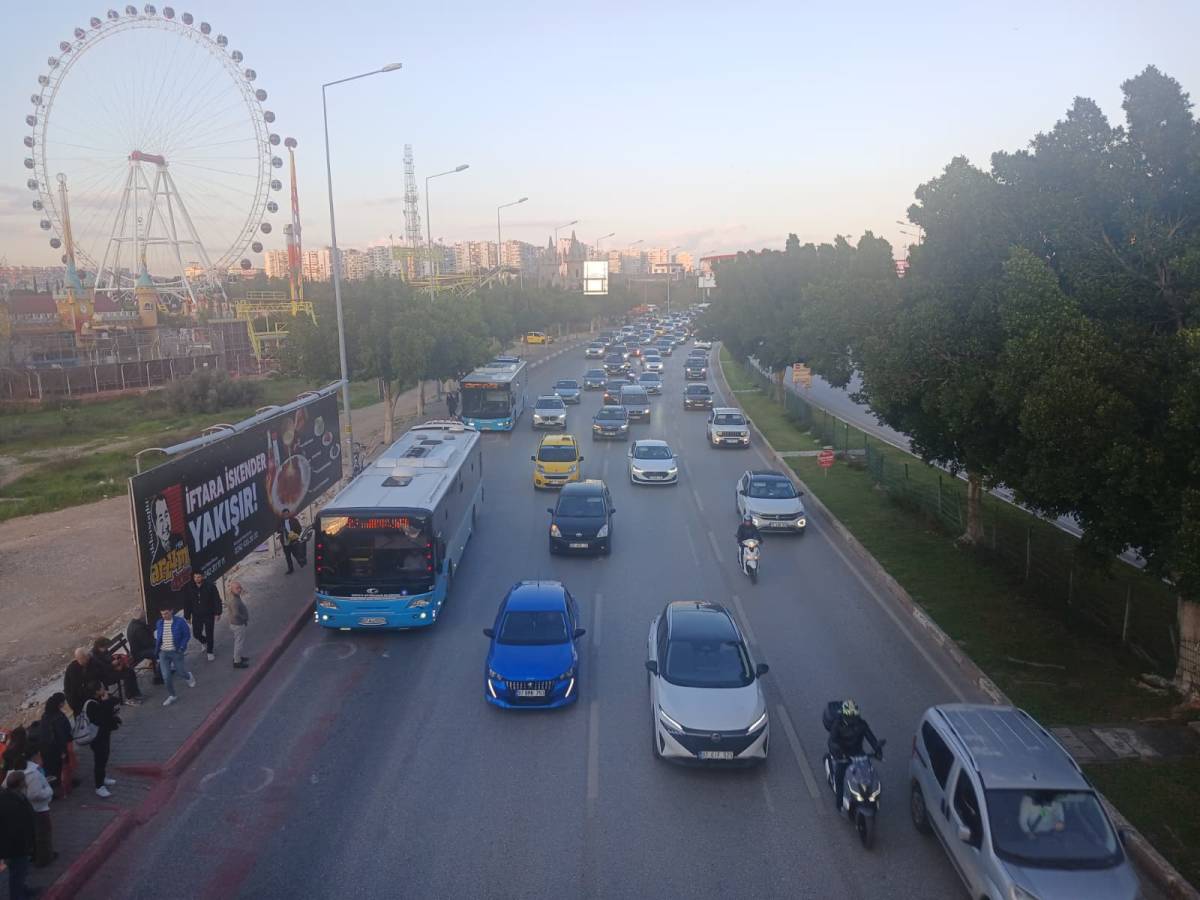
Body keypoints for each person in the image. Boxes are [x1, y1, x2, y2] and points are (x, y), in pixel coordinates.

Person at [827, 699, 882, 811]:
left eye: (854, 715)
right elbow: (832, 741)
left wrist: (877, 749)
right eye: (849, 715)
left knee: (869, 773)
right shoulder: (837, 725)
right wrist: (838, 753)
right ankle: (839, 803)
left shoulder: (861, 724)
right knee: (839, 777)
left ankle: (870, 796)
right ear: (843, 715)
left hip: (858, 753)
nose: (852, 718)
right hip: (842, 754)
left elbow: (870, 737)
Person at [0, 771, 37, 900]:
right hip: (16, 847)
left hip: (20, 845)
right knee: (17, 873)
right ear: (20, 783)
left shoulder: (13, 796)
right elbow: (13, 829)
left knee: (21, 872)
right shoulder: (9, 802)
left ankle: (23, 890)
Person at [82, 684, 119, 798]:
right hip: (97, 737)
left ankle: (103, 777)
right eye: (102, 688)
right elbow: (100, 719)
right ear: (97, 691)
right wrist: (106, 703)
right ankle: (99, 786)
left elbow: (115, 700)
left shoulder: (100, 700)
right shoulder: (91, 704)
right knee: (100, 760)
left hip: (104, 734)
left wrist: (106, 700)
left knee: (104, 757)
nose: (105, 689)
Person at [18, 752, 54, 868]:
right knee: (42, 834)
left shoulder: (20, 770)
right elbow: (35, 794)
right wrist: (49, 791)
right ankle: (43, 859)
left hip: (29, 808)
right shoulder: (32, 773)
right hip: (38, 808)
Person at [154, 608, 196, 706]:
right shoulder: (159, 623)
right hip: (163, 653)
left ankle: (188, 676)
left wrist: (181, 647)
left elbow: (187, 635)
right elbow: (158, 637)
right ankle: (172, 695)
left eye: (166, 613)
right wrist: (157, 651)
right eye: (162, 614)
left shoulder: (180, 622)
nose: (164, 616)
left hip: (176, 651)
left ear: (171, 611)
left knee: (181, 672)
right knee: (166, 676)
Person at [88, 637, 142, 705]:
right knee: (126, 675)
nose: (107, 649)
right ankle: (129, 698)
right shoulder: (94, 657)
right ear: (99, 647)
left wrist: (117, 662)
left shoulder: (103, 650)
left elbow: (110, 658)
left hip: (112, 670)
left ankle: (135, 692)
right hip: (105, 676)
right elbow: (104, 668)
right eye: (106, 647)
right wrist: (113, 665)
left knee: (130, 670)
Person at [38, 696, 71, 801]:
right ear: (59, 704)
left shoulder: (45, 716)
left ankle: (50, 790)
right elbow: (62, 736)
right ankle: (54, 792)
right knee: (57, 770)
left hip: (45, 749)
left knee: (49, 771)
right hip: (56, 749)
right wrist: (63, 751)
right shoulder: (59, 717)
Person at [187, 571, 222, 661]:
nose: (197, 579)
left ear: (202, 577)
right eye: (195, 577)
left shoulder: (210, 586)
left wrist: (218, 612)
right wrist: (187, 616)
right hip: (196, 615)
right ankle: (204, 641)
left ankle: (210, 651)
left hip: (208, 614)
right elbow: (187, 602)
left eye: (199, 577)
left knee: (209, 633)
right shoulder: (190, 587)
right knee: (196, 633)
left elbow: (216, 599)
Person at [127, 617, 163, 685]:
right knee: (162, 653)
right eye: (144, 617)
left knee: (163, 649)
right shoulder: (138, 628)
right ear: (140, 618)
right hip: (139, 652)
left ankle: (164, 670)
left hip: (139, 649)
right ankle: (158, 678)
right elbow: (147, 642)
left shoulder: (134, 624)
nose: (145, 618)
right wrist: (159, 643)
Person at [227, 581, 250, 669]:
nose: (239, 589)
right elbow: (236, 614)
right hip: (238, 625)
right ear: (232, 589)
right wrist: (244, 618)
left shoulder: (235, 596)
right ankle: (237, 661)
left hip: (236, 624)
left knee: (238, 642)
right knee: (239, 643)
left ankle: (238, 657)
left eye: (240, 587)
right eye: (237, 588)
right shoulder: (234, 601)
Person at [63, 649, 91, 716]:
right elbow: (77, 689)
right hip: (74, 698)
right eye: (86, 658)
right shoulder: (73, 669)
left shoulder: (84, 663)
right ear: (81, 659)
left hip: (82, 691)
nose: (88, 659)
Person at [278, 509, 306, 575]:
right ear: (283, 515)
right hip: (285, 542)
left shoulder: (294, 520)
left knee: (296, 554)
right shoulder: (281, 522)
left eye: (287, 514)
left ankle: (301, 562)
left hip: (293, 541)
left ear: (289, 514)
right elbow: (277, 530)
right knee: (288, 556)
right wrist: (281, 530)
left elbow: (299, 529)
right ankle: (290, 569)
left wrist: (295, 535)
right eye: (284, 514)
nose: (286, 515)